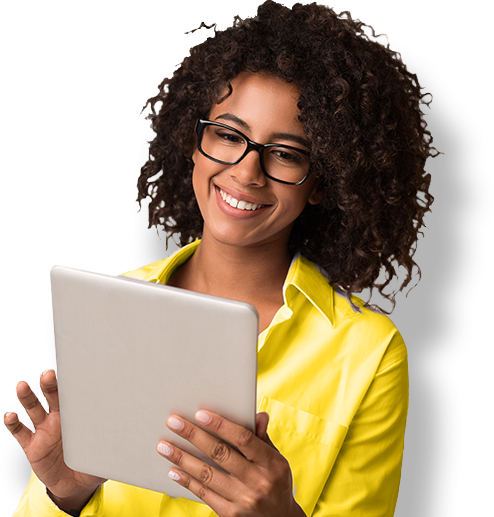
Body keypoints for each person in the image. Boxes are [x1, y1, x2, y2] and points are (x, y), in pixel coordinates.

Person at [4, 1, 437, 516]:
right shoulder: (113, 309)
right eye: (229, 135)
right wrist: (66, 494)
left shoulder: (368, 355)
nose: (247, 172)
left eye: (286, 153)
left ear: (322, 181)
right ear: (194, 143)